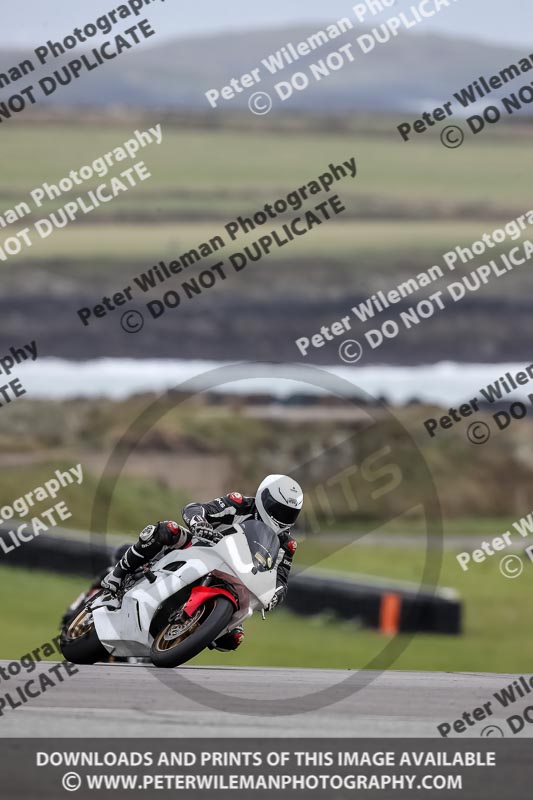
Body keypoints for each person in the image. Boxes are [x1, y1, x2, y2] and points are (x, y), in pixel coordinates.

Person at [101, 474, 303, 651]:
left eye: (289, 514)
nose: (282, 517)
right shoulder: (238, 504)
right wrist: (200, 523)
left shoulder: (287, 545)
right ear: (263, 498)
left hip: (238, 580)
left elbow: (281, 581)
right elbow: (195, 508)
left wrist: (274, 596)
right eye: (278, 509)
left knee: (233, 640)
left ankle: (195, 629)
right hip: (201, 548)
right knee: (166, 530)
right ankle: (117, 576)